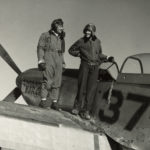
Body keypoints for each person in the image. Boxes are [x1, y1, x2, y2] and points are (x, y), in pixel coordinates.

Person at [68, 23, 114, 120]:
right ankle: (76, 108)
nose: (87, 32)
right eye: (86, 30)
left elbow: (99, 54)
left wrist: (107, 57)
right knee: (81, 87)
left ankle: (86, 111)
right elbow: (71, 50)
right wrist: (79, 54)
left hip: (95, 67)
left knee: (91, 90)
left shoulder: (98, 42)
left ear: (93, 32)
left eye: (89, 31)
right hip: (85, 65)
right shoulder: (81, 41)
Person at [37, 18, 66, 109]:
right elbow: (40, 48)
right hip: (49, 56)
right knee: (47, 80)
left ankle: (54, 102)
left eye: (62, 26)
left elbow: (61, 52)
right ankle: (43, 100)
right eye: (60, 26)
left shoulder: (61, 38)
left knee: (57, 81)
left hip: (58, 58)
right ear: (55, 26)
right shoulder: (45, 35)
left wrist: (63, 63)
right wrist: (41, 60)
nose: (62, 28)